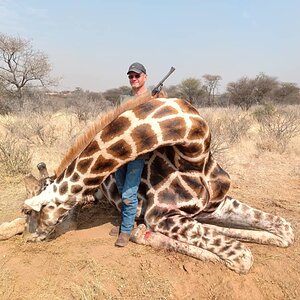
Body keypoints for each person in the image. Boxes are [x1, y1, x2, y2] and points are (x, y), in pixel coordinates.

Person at [113, 62, 149, 247]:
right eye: (131, 76)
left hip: (137, 152)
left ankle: (126, 230)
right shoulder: (123, 99)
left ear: (145, 77)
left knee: (129, 191)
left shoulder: (152, 98)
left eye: (137, 76)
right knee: (120, 186)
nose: (133, 79)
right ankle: (126, 221)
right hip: (119, 151)